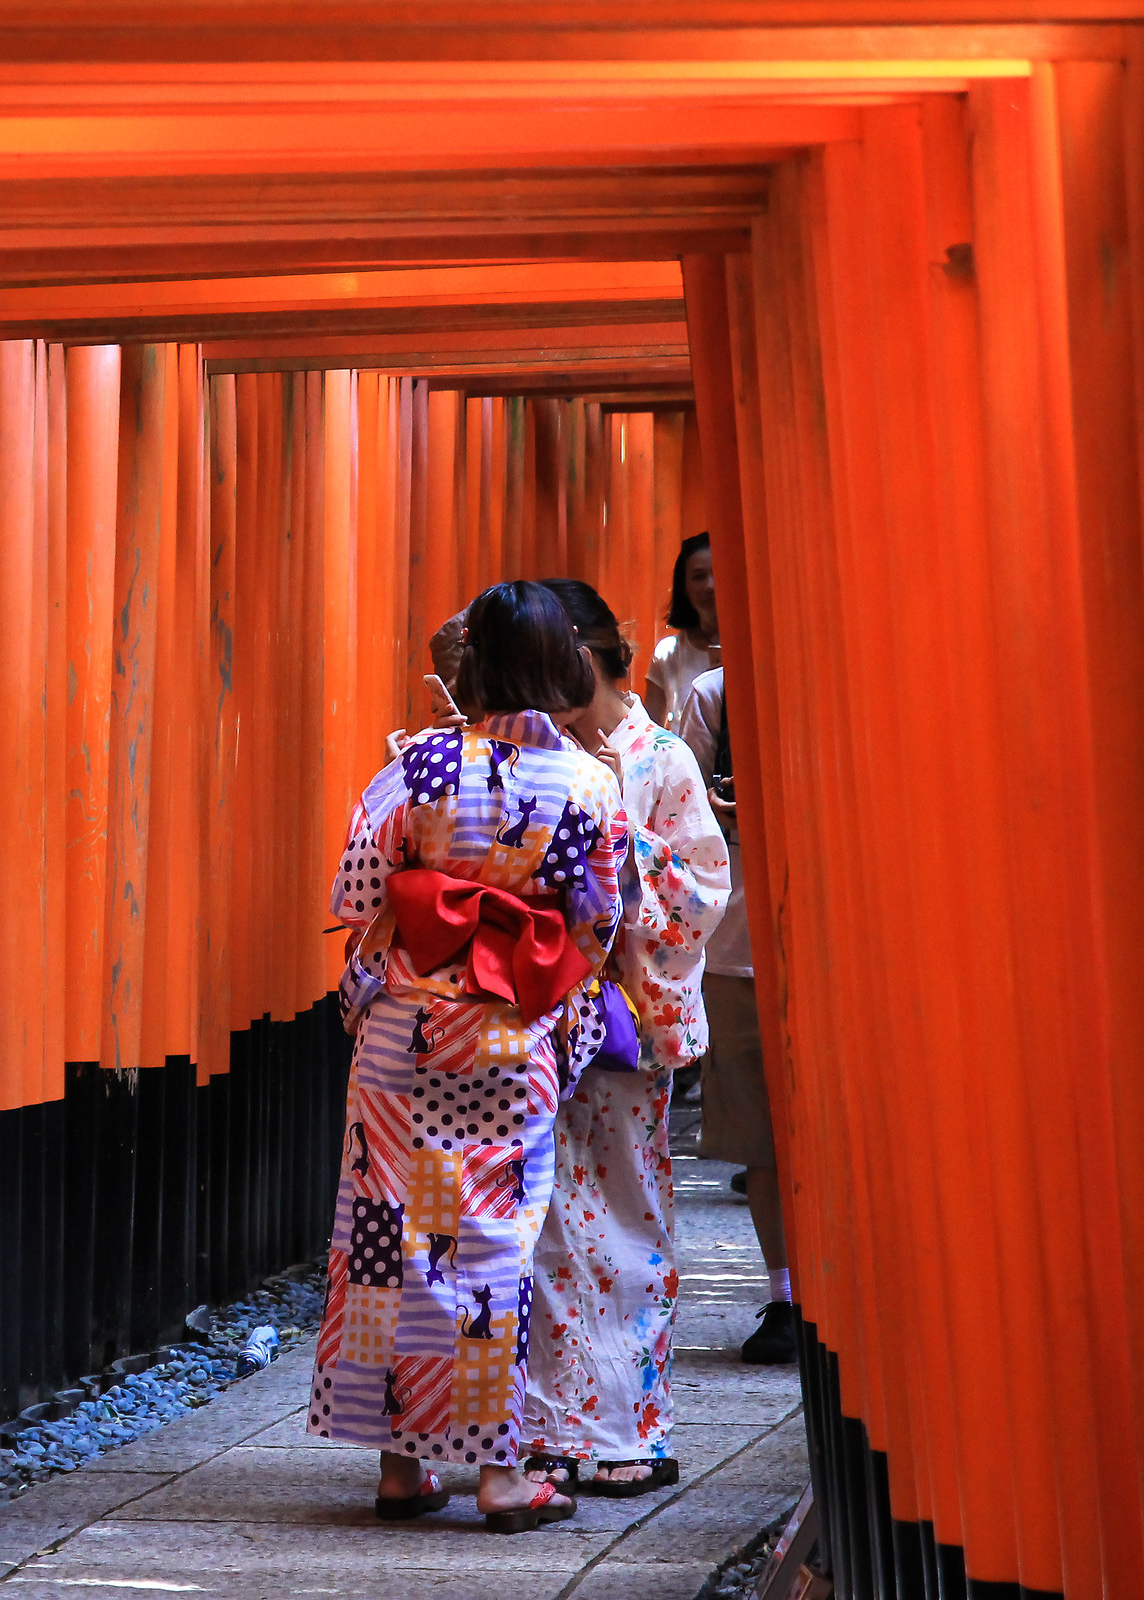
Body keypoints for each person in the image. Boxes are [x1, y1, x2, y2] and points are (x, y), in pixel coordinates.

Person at [309, 581, 625, 1534]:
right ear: (566, 662)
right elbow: (597, 917)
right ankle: (498, 1475)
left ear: (473, 667)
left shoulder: (415, 767)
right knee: (491, 1238)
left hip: (406, 1034)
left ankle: (400, 1465)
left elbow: (358, 887)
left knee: (388, 1233)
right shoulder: (586, 783)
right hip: (508, 1033)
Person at [521, 580, 730, 1495]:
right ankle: (542, 1425)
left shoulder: (663, 758)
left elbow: (700, 890)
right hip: (526, 1022)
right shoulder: (528, 756)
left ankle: (627, 1427)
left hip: (618, 1024)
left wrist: (612, 845)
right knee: (534, 1226)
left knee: (622, 1223)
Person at [676, 667, 795, 1365]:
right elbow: (680, 824)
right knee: (762, 1142)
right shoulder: (716, 694)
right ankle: (785, 1295)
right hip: (738, 946)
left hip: (848, 950)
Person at [642, 533, 719, 730]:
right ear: (684, 585)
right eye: (698, 577)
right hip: (688, 758)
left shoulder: (754, 646)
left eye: (718, 572)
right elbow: (651, 731)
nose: (709, 586)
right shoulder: (668, 654)